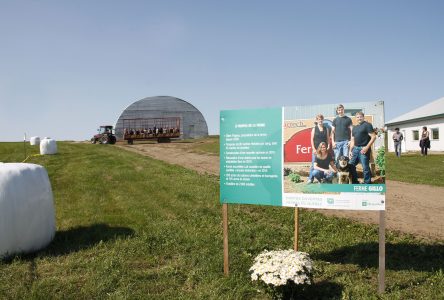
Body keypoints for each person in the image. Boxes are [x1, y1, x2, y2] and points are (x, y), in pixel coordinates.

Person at [349, 111, 376, 184]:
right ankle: (355, 181)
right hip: (355, 149)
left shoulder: (367, 125)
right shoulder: (354, 128)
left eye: (360, 117)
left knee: (365, 167)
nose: (359, 118)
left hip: (363, 149)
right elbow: (352, 140)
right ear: (355, 118)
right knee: (351, 165)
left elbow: (373, 137)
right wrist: (350, 151)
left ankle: (367, 183)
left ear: (363, 117)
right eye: (357, 117)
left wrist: (367, 147)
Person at [307, 114, 331, 183]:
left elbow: (328, 139)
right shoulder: (314, 129)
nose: (320, 120)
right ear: (316, 120)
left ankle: (324, 178)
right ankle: (310, 179)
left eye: (321, 119)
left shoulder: (326, 129)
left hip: (324, 150)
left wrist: (328, 145)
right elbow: (311, 139)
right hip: (316, 151)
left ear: (323, 120)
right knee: (313, 165)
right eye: (318, 119)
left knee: (324, 164)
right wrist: (314, 149)